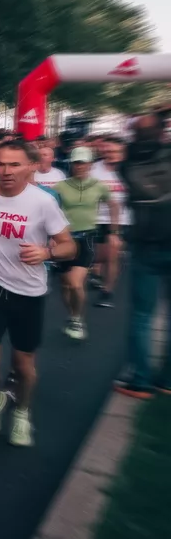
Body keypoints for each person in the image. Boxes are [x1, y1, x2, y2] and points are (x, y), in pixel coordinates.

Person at [0, 140, 75, 448]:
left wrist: (46, 252)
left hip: (27, 293)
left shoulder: (42, 202)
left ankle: (23, 412)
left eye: (14, 165)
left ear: (31, 167)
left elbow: (69, 246)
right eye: (0, 163)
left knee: (23, 365)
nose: (5, 171)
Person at [113, 110, 171, 399]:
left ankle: (141, 380)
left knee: (142, 315)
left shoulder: (129, 164)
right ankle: (167, 379)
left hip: (146, 245)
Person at [53, 146, 118, 341]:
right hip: (65, 239)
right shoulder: (60, 186)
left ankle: (78, 319)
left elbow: (113, 204)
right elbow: (49, 210)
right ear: (71, 164)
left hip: (88, 237)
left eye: (83, 163)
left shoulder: (99, 185)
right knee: (65, 285)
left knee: (75, 282)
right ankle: (72, 315)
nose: (79, 166)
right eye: (76, 163)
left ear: (90, 164)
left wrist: (114, 232)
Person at [90, 136, 130, 308]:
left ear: (122, 153)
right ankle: (97, 274)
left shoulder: (129, 170)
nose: (111, 154)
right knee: (99, 256)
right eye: (107, 151)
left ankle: (107, 292)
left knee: (114, 254)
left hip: (123, 220)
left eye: (115, 151)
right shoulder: (93, 169)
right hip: (97, 218)